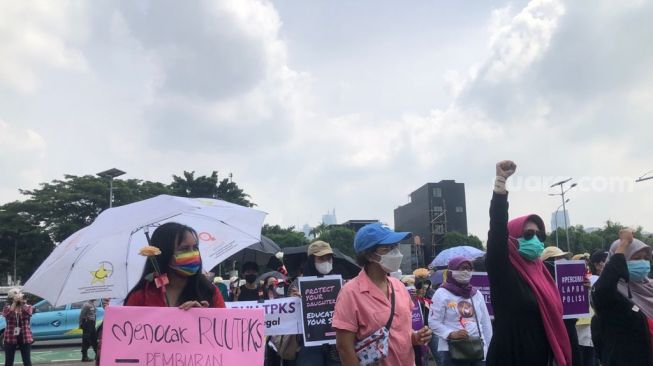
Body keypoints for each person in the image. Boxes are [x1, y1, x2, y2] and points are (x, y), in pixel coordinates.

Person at [485, 160, 571, 366]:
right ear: (512, 239)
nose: (535, 240)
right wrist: (500, 183)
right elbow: (497, 231)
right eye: (528, 234)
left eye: (539, 235)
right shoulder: (503, 271)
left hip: (543, 357)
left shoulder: (543, 274)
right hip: (511, 356)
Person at [333, 223, 432, 366]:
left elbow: (402, 333)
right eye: (388, 248)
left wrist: (416, 337)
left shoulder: (399, 286)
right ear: (369, 255)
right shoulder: (350, 292)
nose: (396, 252)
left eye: (396, 246)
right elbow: (344, 347)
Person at [124, 222, 225, 308]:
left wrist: (205, 317)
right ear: (164, 253)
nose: (193, 254)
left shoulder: (209, 292)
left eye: (195, 248)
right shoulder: (141, 297)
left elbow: (225, 328)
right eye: (184, 249)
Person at [591, 228, 653, 365]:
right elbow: (604, 288)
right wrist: (623, 244)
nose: (642, 263)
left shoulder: (649, 288)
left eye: (645, 258)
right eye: (636, 258)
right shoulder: (612, 294)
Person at [429, 256, 493, 366]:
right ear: (451, 271)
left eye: (469, 268)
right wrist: (451, 334)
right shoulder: (441, 293)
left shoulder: (476, 294)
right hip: (452, 351)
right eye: (462, 268)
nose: (466, 271)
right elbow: (433, 322)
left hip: (478, 349)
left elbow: (485, 323)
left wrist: (490, 348)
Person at [290, 241, 342, 366]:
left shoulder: (340, 283)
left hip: (335, 346)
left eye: (329, 258)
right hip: (309, 346)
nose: (326, 262)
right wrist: (294, 301)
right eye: (321, 258)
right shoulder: (297, 285)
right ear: (311, 260)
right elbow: (289, 315)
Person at [540, 247, 583, 366]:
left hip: (569, 329)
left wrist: (584, 289)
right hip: (549, 332)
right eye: (557, 258)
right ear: (548, 262)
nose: (562, 261)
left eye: (562, 258)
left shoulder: (569, 278)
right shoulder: (541, 282)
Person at [2, 288, 33, 366]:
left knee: (27, 362)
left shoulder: (28, 306)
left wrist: (22, 303)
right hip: (10, 337)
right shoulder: (7, 308)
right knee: (9, 362)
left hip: (25, 336)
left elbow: (28, 313)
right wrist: (15, 303)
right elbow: (7, 315)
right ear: (12, 298)